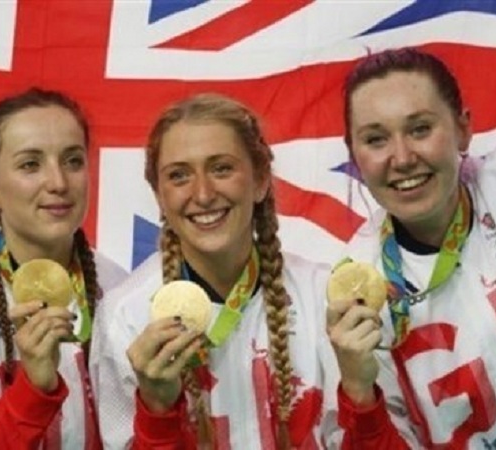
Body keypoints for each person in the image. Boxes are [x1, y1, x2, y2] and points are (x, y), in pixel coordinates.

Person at [94, 93, 337, 449]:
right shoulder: (125, 317)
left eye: (221, 168)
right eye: (179, 176)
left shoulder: (321, 295)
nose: (204, 194)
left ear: (260, 180)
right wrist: (157, 410)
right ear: (159, 195)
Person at [325, 47, 496, 448]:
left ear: (463, 129)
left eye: (419, 129)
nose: (402, 158)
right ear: (355, 156)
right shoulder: (354, 298)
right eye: (376, 139)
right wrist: (360, 394)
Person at [0, 88, 127, 449]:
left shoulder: (120, 290)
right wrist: (33, 389)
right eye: (30, 164)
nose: (59, 183)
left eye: (73, 161)